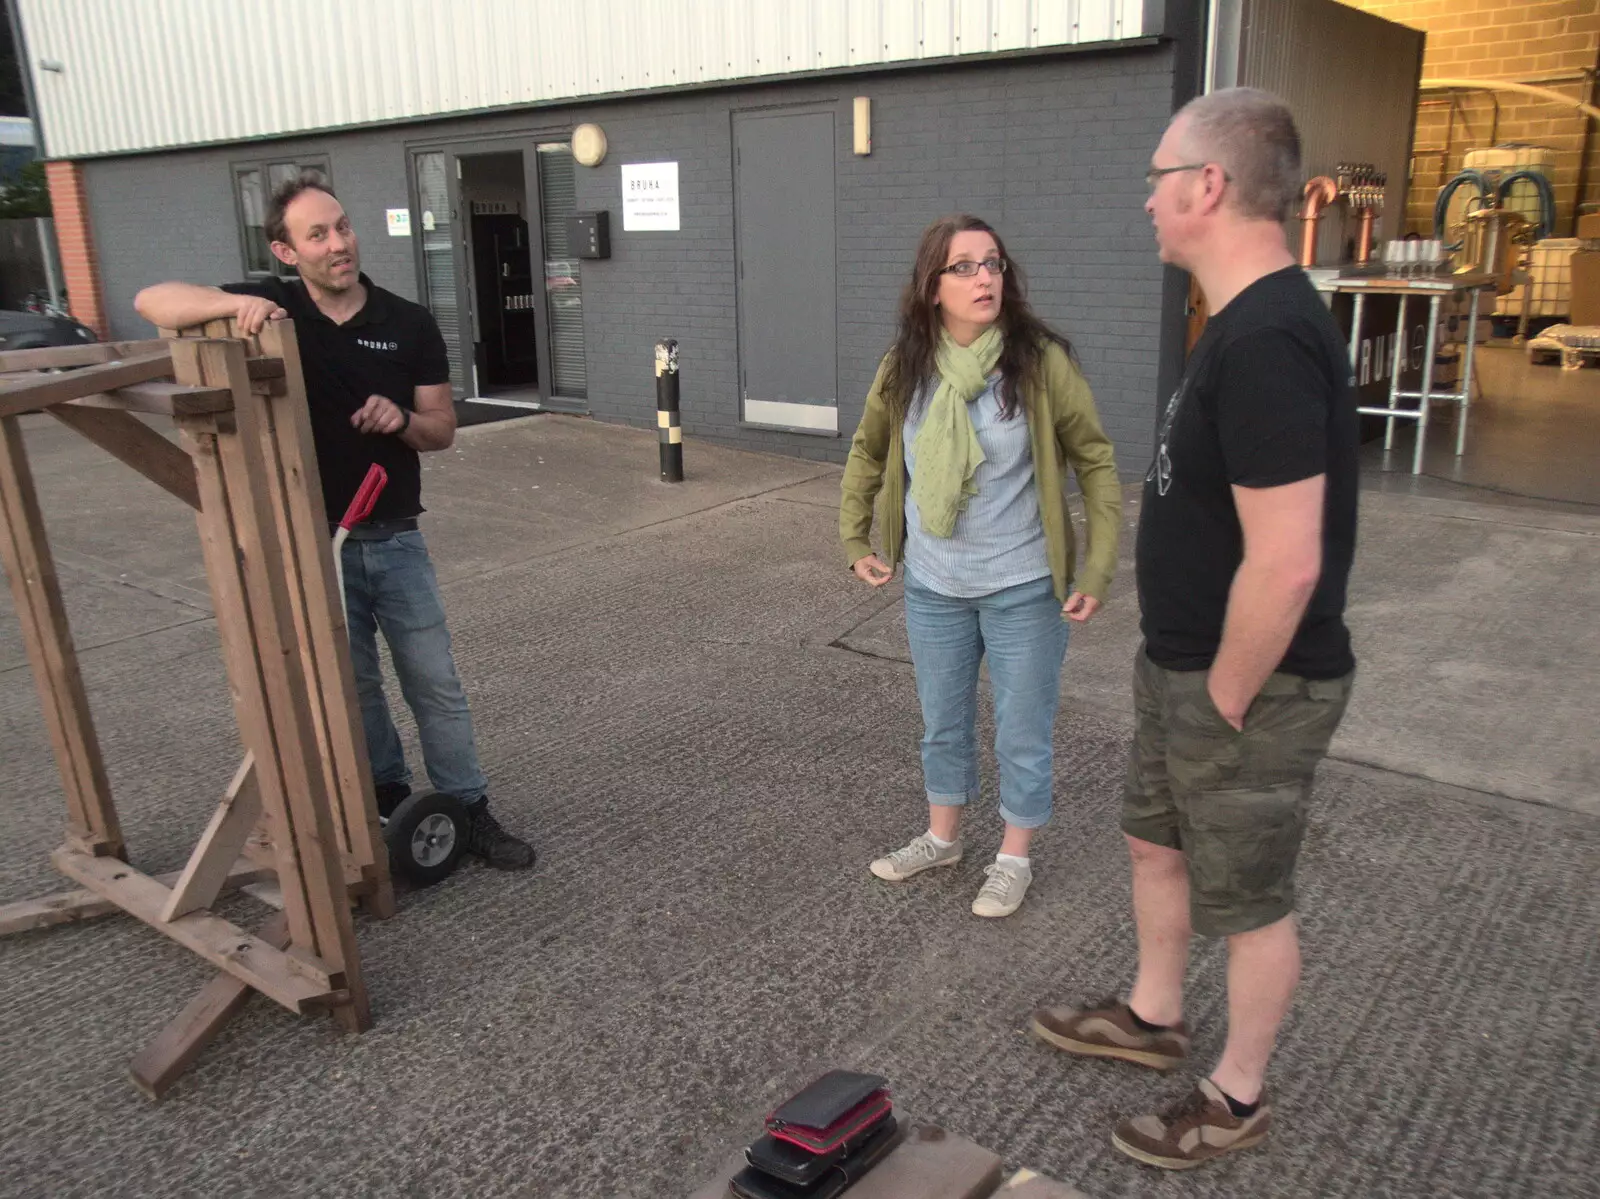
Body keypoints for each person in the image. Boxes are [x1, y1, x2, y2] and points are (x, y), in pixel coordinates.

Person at [1029, 89, 1358, 1168]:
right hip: (1180, 665)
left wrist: (1224, 692)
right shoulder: (1239, 321)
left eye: (1156, 180)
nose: (1147, 205)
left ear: (1206, 186)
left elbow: (1288, 556)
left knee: (1248, 899)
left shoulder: (1266, 336)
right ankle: (1155, 1013)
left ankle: (1234, 1093)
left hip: (1246, 684)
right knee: (1152, 842)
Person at [134, 174, 535, 872]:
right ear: (286, 251)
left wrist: (402, 419)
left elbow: (441, 429)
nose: (338, 243)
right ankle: (389, 802)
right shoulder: (277, 306)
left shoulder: (407, 321)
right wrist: (237, 304)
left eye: (343, 227)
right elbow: (152, 302)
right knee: (355, 687)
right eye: (317, 234)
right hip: (315, 542)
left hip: (396, 536)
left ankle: (468, 808)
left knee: (434, 682)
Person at [839, 214, 1121, 919]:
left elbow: (1094, 458)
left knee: (1022, 725)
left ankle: (1013, 857)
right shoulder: (905, 363)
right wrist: (855, 537)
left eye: (991, 263)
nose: (983, 277)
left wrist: (1097, 569)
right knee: (942, 721)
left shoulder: (1039, 359)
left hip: (1023, 585)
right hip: (935, 585)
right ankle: (943, 839)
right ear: (932, 287)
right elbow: (869, 451)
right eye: (963, 267)